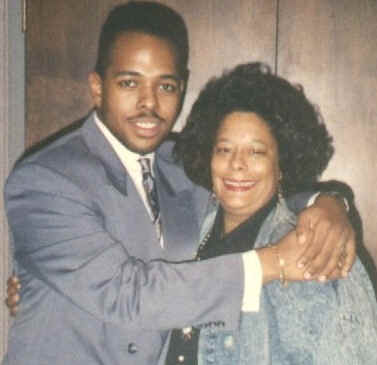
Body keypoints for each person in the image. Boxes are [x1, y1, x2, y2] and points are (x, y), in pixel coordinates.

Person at [3, 2, 355, 365]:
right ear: (97, 88)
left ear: (182, 88)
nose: (149, 104)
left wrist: (327, 204)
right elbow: (128, 295)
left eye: (166, 86)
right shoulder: (46, 179)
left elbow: (250, 183)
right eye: (129, 82)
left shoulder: (179, 163)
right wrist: (271, 263)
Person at [166, 62, 377, 365]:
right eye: (224, 149)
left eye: (256, 152)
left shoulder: (314, 250)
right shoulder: (191, 228)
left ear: (281, 165)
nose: (237, 164)